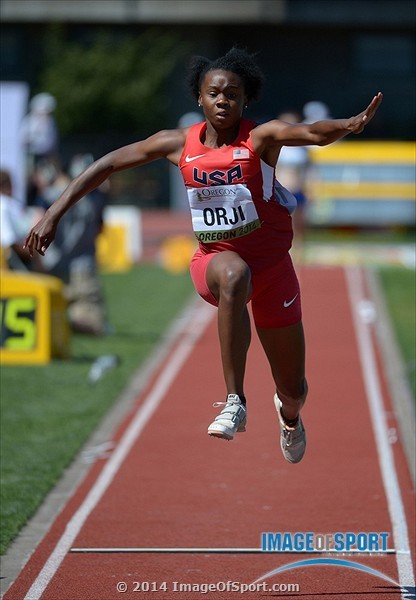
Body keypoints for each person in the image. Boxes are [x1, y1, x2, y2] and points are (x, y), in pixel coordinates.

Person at [24, 48, 382, 463]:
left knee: (294, 387)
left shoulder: (259, 138)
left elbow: (313, 133)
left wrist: (350, 125)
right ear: (199, 97)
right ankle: (234, 400)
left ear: (246, 100)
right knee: (233, 274)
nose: (223, 101)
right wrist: (52, 214)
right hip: (215, 261)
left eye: (233, 94)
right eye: (214, 93)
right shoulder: (178, 144)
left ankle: (289, 417)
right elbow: (105, 165)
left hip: (272, 271)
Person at [275, 110, 310, 263]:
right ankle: (280, 254)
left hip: (297, 189)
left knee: (298, 225)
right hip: (281, 191)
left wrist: (311, 189)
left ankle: (298, 254)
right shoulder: (276, 147)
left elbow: (310, 170)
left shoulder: (302, 148)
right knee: (279, 225)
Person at [0, 169, 32, 270]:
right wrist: (31, 253)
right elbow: (9, 242)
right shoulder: (3, 205)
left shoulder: (11, 204)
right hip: (14, 261)